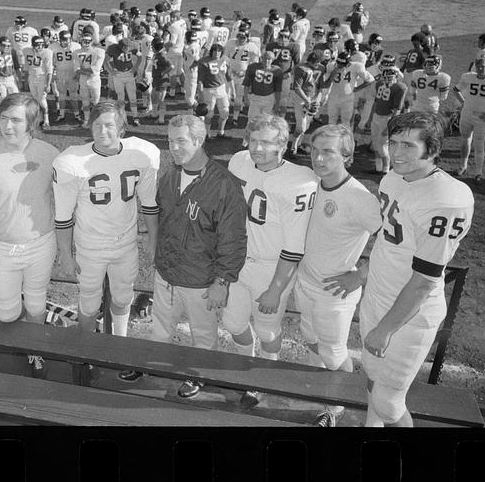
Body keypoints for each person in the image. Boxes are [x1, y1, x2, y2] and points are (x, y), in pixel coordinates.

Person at [357, 112, 474, 427]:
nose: (396, 153)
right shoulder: (393, 177)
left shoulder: (446, 198)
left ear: (432, 150)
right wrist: (365, 274)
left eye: (408, 146)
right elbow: (388, 240)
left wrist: (386, 328)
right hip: (378, 296)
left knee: (389, 402)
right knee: (372, 377)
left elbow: (424, 281)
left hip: (409, 315)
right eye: (393, 143)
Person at [121, 114, 247, 398]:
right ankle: (154, 366)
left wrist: (222, 282)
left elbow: (233, 240)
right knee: (160, 328)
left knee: (203, 335)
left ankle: (199, 374)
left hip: (200, 279)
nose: (174, 147)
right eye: (170, 140)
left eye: (181, 141)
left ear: (199, 140)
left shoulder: (225, 185)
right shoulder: (171, 174)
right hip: (167, 271)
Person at [224, 114, 317, 407]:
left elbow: (294, 246)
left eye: (266, 142)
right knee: (232, 321)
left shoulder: (300, 180)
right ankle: (247, 368)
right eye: (254, 140)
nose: (258, 148)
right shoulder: (238, 161)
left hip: (270, 266)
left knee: (266, 329)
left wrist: (276, 289)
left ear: (283, 144)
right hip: (238, 260)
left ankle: (264, 376)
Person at [293, 124, 383, 425]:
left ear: (347, 155)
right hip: (304, 281)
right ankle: (323, 391)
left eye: (327, 152)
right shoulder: (309, 182)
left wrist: (360, 276)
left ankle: (333, 410)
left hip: (334, 291)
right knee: (309, 340)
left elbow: (396, 243)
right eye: (314, 150)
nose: (318, 158)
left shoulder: (360, 197)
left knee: (333, 353)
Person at [52, 100, 160, 336]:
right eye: (97, 125)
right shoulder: (71, 162)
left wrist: (153, 241)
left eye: (109, 125)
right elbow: (63, 217)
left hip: (125, 243)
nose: (103, 131)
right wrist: (65, 254)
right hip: (90, 246)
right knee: (89, 301)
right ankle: (87, 350)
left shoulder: (142, 154)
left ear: (122, 128)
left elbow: (150, 204)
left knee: (122, 297)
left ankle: (118, 343)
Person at [0, 94, 60, 374]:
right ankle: (21, 332)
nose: (7, 125)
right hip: (1, 248)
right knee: (7, 312)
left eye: (16, 119)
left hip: (40, 244)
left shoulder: (50, 155)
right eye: (3, 117)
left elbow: (65, 199)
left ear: (31, 123)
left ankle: (35, 350)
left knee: (36, 303)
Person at [450, 57, 485, 182]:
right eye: (478, 66)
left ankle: (478, 173)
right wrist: (463, 103)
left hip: (481, 117)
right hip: (467, 114)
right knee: (465, 140)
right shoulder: (468, 77)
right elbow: (455, 90)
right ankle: (463, 166)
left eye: (483, 66)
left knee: (479, 145)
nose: (480, 68)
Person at [369, 60, 407, 176]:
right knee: (375, 144)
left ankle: (386, 170)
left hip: (387, 118)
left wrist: (390, 125)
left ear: (395, 77)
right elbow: (376, 102)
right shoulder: (379, 84)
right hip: (376, 116)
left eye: (390, 78)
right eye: (386, 77)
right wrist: (371, 117)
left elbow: (397, 110)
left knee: (382, 145)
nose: (387, 80)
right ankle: (378, 168)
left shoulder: (400, 87)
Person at [320, 51, 375, 126]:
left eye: (342, 64)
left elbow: (370, 80)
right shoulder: (331, 66)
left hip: (347, 99)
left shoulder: (356, 66)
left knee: (345, 122)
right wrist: (333, 74)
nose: (339, 65)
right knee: (331, 121)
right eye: (338, 63)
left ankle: (346, 137)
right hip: (333, 97)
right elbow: (325, 83)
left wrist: (357, 88)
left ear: (348, 63)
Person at [241, 57, 284, 148]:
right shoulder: (253, 67)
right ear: (261, 58)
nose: (266, 61)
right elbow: (246, 84)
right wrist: (245, 97)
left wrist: (277, 104)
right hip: (255, 97)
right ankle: (246, 140)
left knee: (266, 122)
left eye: (269, 59)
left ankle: (261, 140)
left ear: (272, 60)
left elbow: (278, 90)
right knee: (251, 120)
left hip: (269, 98)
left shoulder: (277, 71)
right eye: (265, 59)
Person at [287, 51, 324, 156]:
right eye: (314, 62)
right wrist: (307, 100)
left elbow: (320, 84)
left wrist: (317, 97)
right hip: (301, 98)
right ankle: (292, 149)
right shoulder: (301, 68)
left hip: (312, 97)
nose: (317, 64)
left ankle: (297, 146)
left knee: (306, 124)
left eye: (317, 62)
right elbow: (297, 87)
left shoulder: (320, 68)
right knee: (301, 126)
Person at [197, 43, 234, 139]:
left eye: (219, 51)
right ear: (211, 51)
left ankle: (220, 132)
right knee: (209, 113)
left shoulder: (225, 59)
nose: (217, 53)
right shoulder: (204, 62)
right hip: (208, 90)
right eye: (215, 51)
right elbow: (200, 80)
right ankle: (207, 134)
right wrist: (200, 94)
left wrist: (232, 91)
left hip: (221, 88)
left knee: (225, 111)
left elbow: (229, 77)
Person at [225, 29, 261, 126]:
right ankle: (226, 116)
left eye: (243, 37)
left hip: (242, 75)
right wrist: (228, 68)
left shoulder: (252, 47)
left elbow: (255, 63)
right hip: (229, 74)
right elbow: (225, 57)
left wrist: (245, 71)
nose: (240, 39)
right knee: (227, 96)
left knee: (238, 98)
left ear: (247, 37)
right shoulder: (230, 43)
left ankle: (235, 117)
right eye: (239, 36)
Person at [105, 36, 141, 126]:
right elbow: (105, 61)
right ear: (120, 46)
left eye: (127, 47)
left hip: (129, 73)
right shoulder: (113, 48)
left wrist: (135, 67)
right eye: (124, 47)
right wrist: (111, 71)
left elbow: (140, 57)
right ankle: (122, 116)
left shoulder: (133, 46)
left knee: (132, 96)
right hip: (119, 74)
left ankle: (135, 116)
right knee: (120, 96)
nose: (126, 49)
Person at [23, 35, 54, 130]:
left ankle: (46, 119)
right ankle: (39, 117)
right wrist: (25, 79)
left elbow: (49, 71)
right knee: (35, 99)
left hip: (42, 77)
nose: (40, 47)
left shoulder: (47, 53)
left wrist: (48, 84)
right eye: (37, 45)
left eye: (41, 44)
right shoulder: (26, 51)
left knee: (42, 100)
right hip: (32, 77)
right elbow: (26, 67)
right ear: (32, 45)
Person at [75, 31, 106, 127]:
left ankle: (96, 120)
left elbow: (95, 69)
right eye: (84, 41)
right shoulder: (76, 53)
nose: (86, 43)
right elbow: (76, 69)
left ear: (92, 41)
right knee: (85, 100)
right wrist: (87, 70)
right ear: (81, 41)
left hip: (94, 80)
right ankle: (87, 119)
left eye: (88, 41)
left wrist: (83, 69)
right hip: (84, 79)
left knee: (96, 101)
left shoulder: (99, 51)